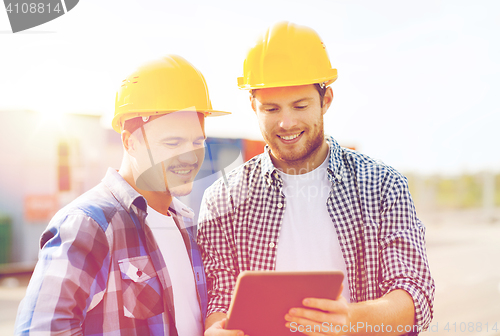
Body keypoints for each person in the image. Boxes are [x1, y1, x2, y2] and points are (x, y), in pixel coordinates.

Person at [198, 22, 435, 335]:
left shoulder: (382, 185)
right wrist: (216, 329)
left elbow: (415, 298)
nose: (286, 122)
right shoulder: (222, 199)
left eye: (300, 105)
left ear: (326, 100)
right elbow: (220, 301)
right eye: (271, 108)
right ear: (252, 106)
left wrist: (351, 321)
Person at [14, 55, 233, 336]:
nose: (189, 156)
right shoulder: (90, 225)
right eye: (173, 142)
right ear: (130, 142)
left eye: (197, 141)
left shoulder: (188, 224)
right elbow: (40, 331)